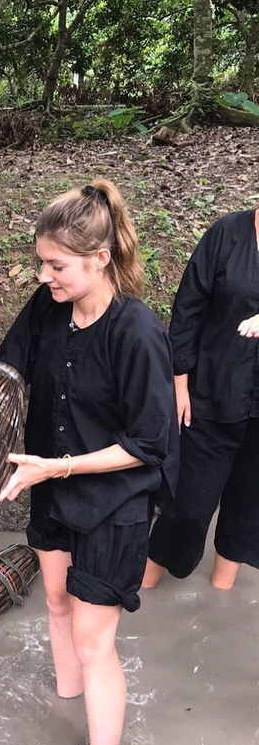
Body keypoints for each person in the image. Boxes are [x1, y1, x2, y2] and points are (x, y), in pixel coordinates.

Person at [0, 180, 177, 745]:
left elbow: (149, 445)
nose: (46, 276)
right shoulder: (46, 309)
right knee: (55, 604)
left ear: (100, 259)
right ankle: (65, 702)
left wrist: (61, 466)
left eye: (58, 265)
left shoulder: (139, 333)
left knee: (93, 640)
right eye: (41, 264)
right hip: (49, 487)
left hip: (113, 502)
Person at [143, 208, 259, 591]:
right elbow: (188, 309)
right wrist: (179, 384)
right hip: (212, 396)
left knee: (247, 511)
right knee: (187, 509)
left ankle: (219, 603)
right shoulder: (226, 234)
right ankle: (137, 593)